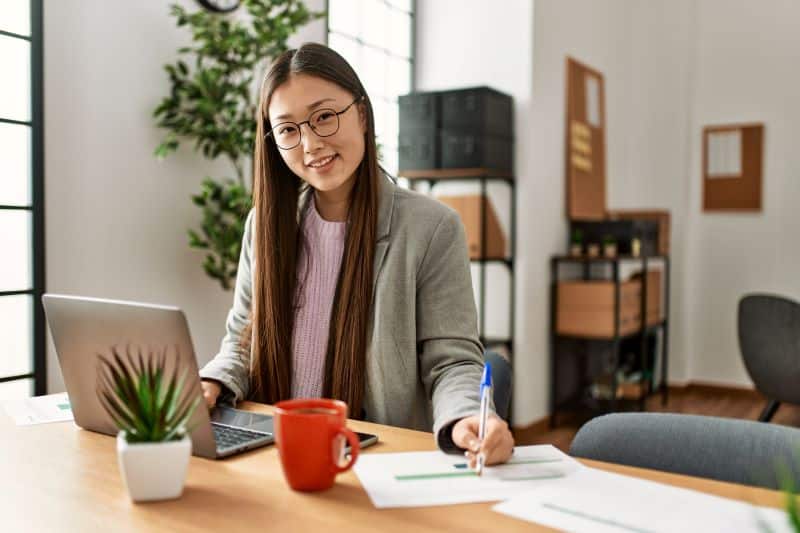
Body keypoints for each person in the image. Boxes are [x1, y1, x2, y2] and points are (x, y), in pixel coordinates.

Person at [199, 42, 513, 466]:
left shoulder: (431, 228)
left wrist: (463, 418)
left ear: (361, 114)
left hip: (370, 461)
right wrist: (211, 382)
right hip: (271, 453)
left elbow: (452, 362)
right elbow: (241, 341)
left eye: (324, 117)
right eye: (289, 130)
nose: (310, 143)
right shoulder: (264, 225)